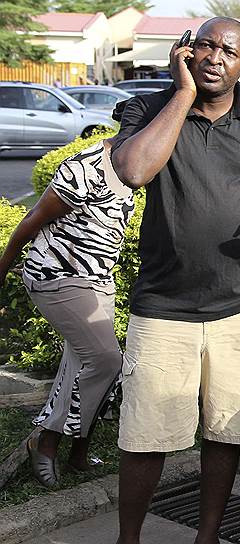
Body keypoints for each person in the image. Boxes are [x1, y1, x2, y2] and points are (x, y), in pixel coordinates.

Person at [109, 17, 240, 544]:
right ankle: (127, 539)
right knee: (145, 435)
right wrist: (180, 95)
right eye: (205, 45)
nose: (215, 57)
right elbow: (134, 170)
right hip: (164, 306)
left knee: (226, 430)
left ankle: (207, 537)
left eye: (229, 51)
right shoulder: (150, 109)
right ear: (187, 50)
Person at [0, 129, 132, 488]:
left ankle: (77, 449)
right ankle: (47, 439)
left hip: (98, 279)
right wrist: (1, 270)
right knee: (106, 359)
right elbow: (33, 219)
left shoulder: (139, 166)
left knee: (84, 362)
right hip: (55, 274)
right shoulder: (86, 167)